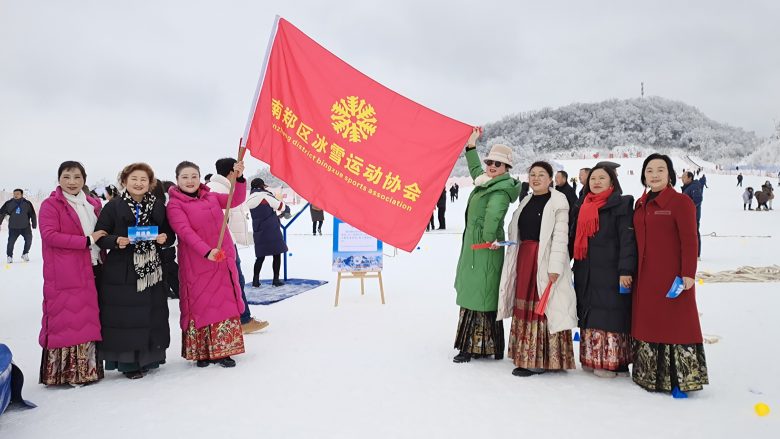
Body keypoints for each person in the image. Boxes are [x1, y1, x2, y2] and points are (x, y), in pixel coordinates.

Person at [632, 153, 708, 395]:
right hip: (645, 276)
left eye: (660, 170)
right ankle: (650, 376)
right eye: (649, 170)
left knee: (676, 324)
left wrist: (688, 273)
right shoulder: (640, 203)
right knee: (649, 322)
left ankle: (679, 379)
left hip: (672, 277)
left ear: (670, 174)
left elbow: (690, 240)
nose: (654, 175)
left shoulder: (680, 203)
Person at [497, 161, 577, 377]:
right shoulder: (527, 201)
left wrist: (555, 267)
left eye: (542, 174)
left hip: (545, 259)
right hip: (525, 258)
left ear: (551, 179)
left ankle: (541, 359)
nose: (536, 178)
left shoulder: (558, 201)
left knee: (543, 306)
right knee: (526, 305)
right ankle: (524, 354)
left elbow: (561, 237)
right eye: (532, 174)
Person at [95, 163, 173, 379]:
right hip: (122, 271)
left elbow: (169, 233)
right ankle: (129, 364)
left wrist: (165, 238)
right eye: (134, 179)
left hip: (151, 270)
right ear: (124, 182)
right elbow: (100, 237)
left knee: (151, 314)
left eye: (143, 180)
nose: (139, 184)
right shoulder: (113, 207)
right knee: (126, 318)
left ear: (150, 183)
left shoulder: (158, 206)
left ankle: (150, 358)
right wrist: (116, 240)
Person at [167, 160, 247, 368]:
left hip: (221, 260)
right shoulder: (175, 205)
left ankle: (224, 350)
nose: (190, 181)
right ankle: (202, 351)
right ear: (177, 180)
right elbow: (185, 232)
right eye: (185, 177)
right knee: (201, 305)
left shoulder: (210, 196)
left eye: (194, 176)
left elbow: (234, 200)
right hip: (197, 263)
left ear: (200, 177)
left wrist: (238, 178)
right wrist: (206, 251)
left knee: (223, 303)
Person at [453, 129, 521, 363]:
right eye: (490, 162)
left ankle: (474, 346)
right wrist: (471, 146)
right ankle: (480, 344)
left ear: (506, 168)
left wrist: (488, 239)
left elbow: (494, 216)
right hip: (476, 244)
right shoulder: (488, 182)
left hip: (484, 247)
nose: (492, 166)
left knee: (480, 295)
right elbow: (475, 171)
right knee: (475, 292)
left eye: (498, 164)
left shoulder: (500, 190)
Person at [38, 161, 105, 386]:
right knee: (67, 321)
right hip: (65, 272)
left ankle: (87, 369)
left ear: (84, 179)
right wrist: (86, 241)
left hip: (93, 265)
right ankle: (65, 372)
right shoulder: (51, 205)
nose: (72, 182)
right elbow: (49, 235)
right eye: (67, 177)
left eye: (77, 177)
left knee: (88, 318)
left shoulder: (93, 203)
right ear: (59, 179)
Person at [569, 164, 636, 378]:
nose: (596, 182)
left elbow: (628, 241)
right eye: (593, 178)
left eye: (602, 178)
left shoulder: (621, 205)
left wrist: (626, 270)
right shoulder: (582, 206)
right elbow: (572, 239)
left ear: (612, 182)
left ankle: (611, 362)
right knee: (589, 314)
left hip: (610, 271)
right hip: (585, 270)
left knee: (610, 316)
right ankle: (591, 358)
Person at [208, 158, 268, 334]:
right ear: (232, 171)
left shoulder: (224, 187)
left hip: (227, 241)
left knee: (234, 281)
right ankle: (243, 319)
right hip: (223, 245)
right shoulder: (218, 189)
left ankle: (239, 318)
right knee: (235, 281)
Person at [246, 178, 288, 287]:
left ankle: (255, 281)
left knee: (260, 256)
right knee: (277, 254)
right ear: (262, 186)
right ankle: (276, 280)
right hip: (271, 229)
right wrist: (286, 210)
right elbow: (281, 206)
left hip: (258, 230)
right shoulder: (265, 196)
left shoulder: (250, 199)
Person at [152, 180, 179, 299]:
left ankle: (176, 291)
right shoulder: (164, 203)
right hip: (168, 245)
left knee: (169, 270)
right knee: (170, 269)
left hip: (163, 245)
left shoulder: (158, 206)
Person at [0, 189, 37, 263]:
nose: (15, 195)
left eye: (17, 194)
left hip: (25, 227)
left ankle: (25, 253)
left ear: (22, 195)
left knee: (29, 240)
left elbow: (32, 214)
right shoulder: (8, 203)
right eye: (14, 194)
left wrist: (34, 224)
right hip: (13, 227)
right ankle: (9, 256)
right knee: (10, 242)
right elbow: (1, 213)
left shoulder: (27, 203)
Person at [681, 172, 704, 258]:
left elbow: (697, 199)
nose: (682, 179)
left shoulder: (694, 186)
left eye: (684, 177)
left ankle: (697, 254)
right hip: (687, 216)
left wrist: (688, 210)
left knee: (694, 234)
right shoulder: (688, 187)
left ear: (690, 178)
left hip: (693, 216)